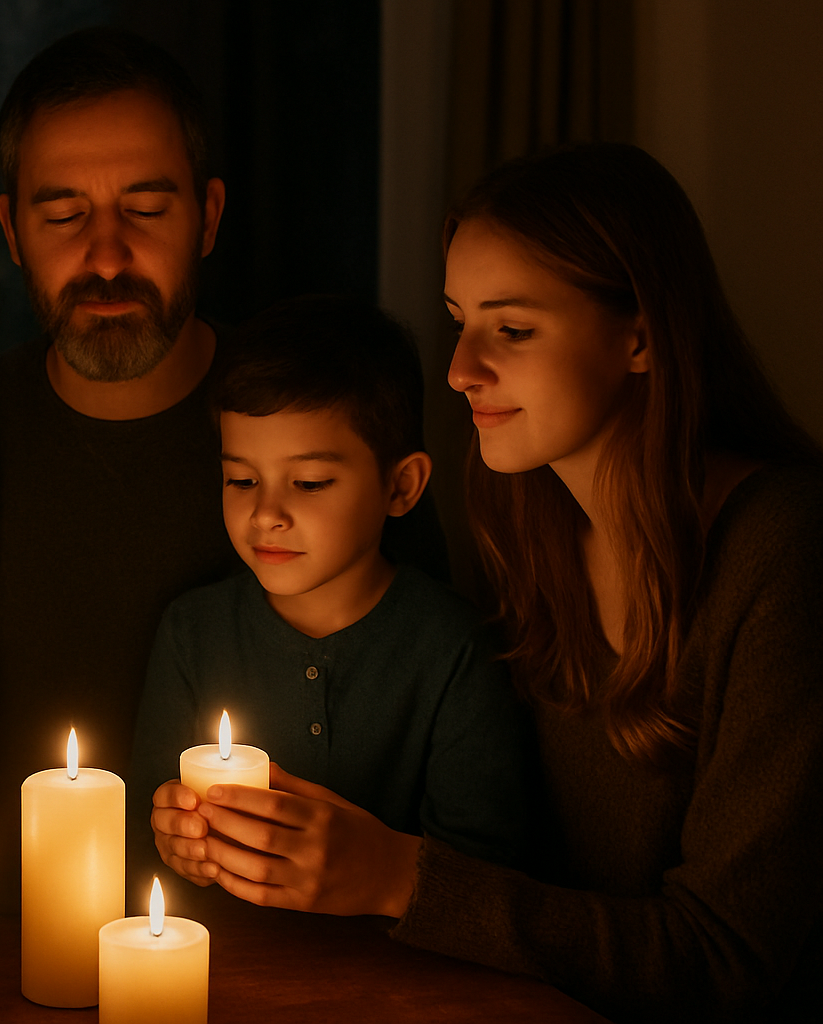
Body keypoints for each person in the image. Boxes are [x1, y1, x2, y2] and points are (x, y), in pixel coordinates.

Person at [187, 144, 823, 1021]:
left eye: (511, 330)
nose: (460, 369)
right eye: (459, 321)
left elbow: (728, 959)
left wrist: (399, 875)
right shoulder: (532, 528)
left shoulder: (782, 551)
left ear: (640, 335)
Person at [0, 27, 448, 902]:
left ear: (208, 216)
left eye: (145, 210)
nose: (105, 257)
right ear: (12, 230)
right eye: (63, 215)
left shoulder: (321, 430)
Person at [135, 295, 533, 911]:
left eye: (310, 482)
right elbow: (150, 821)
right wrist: (176, 840)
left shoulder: (453, 646)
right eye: (241, 479)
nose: (265, 513)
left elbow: (486, 870)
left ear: (400, 486)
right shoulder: (193, 632)